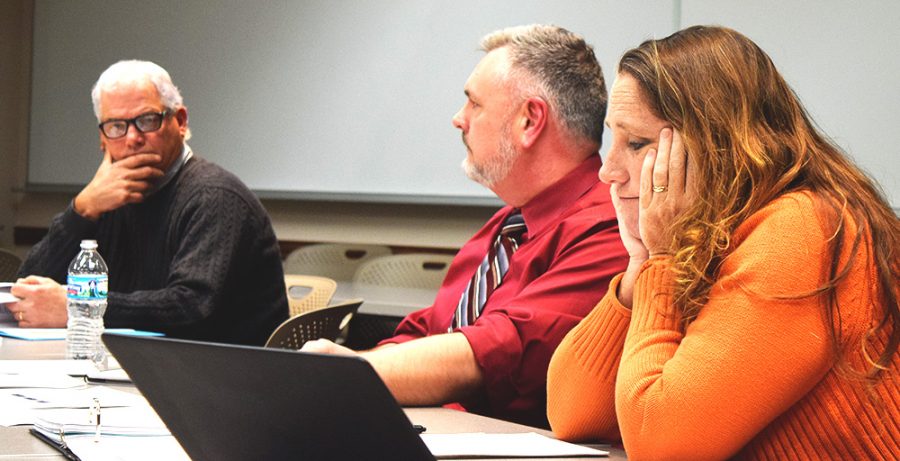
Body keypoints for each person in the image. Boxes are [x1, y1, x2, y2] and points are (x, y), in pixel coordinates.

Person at [546, 25, 900, 459]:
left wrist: (662, 257)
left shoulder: (802, 228)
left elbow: (661, 445)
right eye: (611, 140)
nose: (608, 171)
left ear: (717, 146)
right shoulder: (711, 233)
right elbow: (570, 413)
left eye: (636, 143)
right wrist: (639, 267)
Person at [303, 24, 628, 427]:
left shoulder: (609, 229)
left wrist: (354, 374)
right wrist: (364, 368)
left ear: (530, 120)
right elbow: (435, 327)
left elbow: (499, 348)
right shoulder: (510, 222)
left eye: (474, 104)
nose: (459, 120)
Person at [9, 60, 288, 346]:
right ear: (103, 140)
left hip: (224, 375)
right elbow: (27, 288)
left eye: (146, 121)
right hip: (133, 367)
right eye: (116, 126)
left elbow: (191, 307)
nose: (132, 138)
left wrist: (78, 306)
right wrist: (81, 211)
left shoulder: (215, 196)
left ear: (180, 121)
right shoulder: (104, 200)